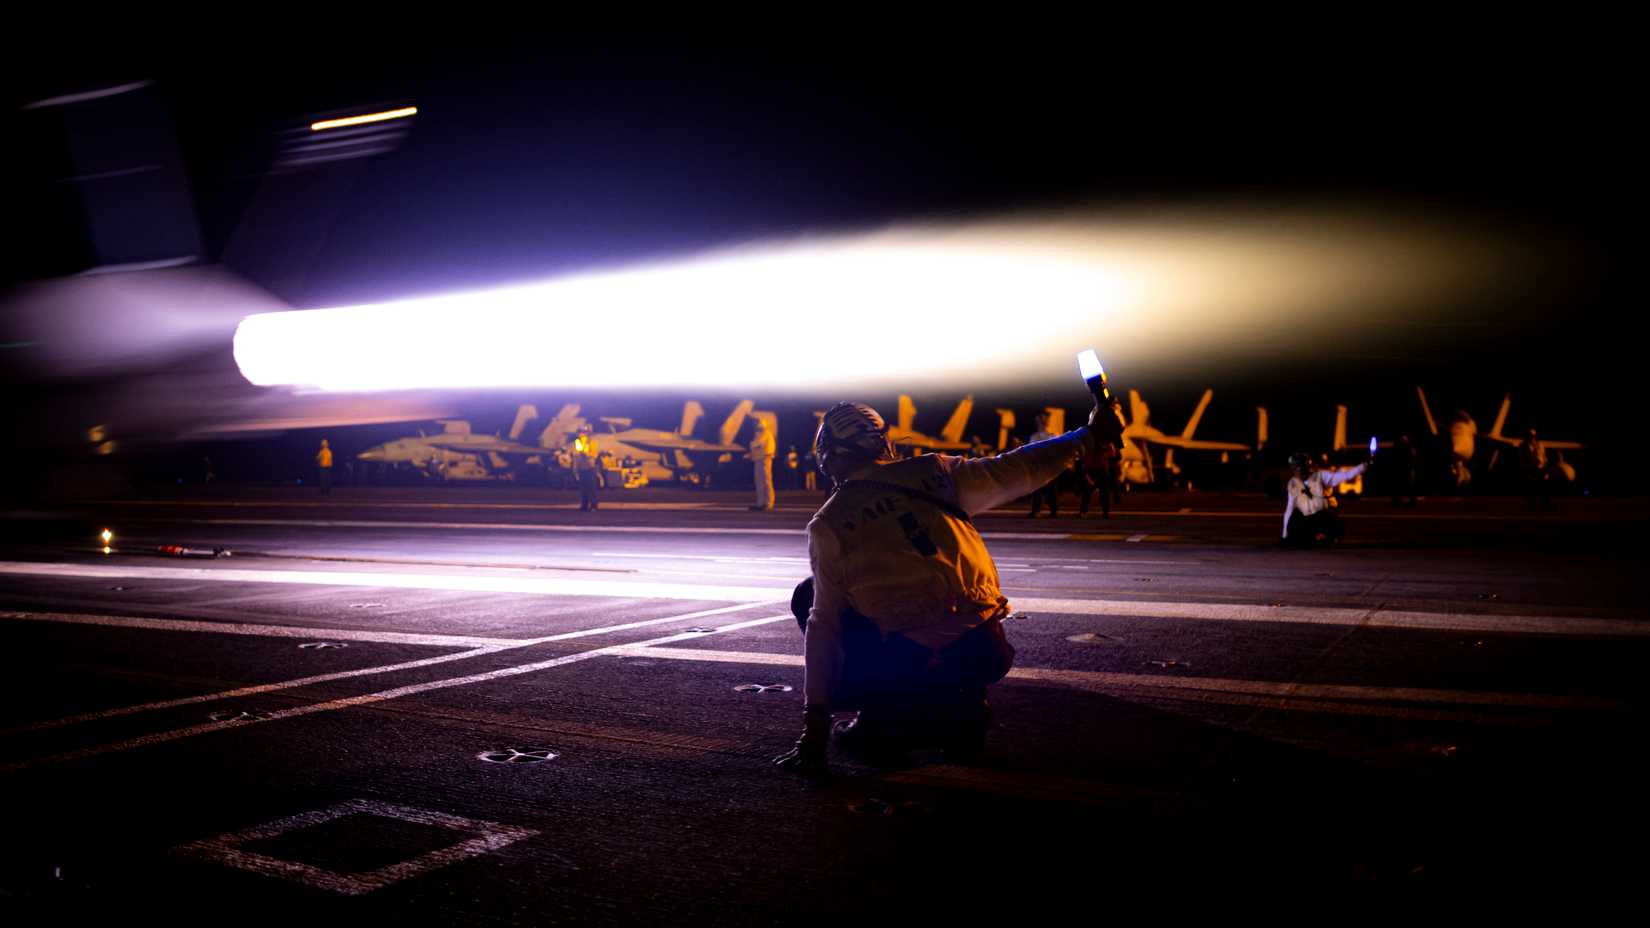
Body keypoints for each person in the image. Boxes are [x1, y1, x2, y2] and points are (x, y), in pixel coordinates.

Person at [774, 396, 1124, 773]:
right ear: (882, 443)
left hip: (905, 661)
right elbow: (1021, 466)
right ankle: (966, 707)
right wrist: (1086, 436)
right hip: (985, 650)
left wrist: (815, 726)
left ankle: (876, 719)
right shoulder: (936, 473)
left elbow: (823, 626)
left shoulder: (829, 522)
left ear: (829, 454)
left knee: (810, 596)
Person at [1281, 452, 1367, 547]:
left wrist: (1363, 466)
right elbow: (1289, 508)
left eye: (1299, 467)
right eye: (1294, 468)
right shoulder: (1293, 484)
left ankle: (1329, 536)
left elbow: (1346, 475)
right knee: (1296, 519)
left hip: (1323, 516)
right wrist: (1285, 535)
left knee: (1327, 520)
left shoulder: (1321, 476)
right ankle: (1310, 538)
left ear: (1306, 466)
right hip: (1307, 519)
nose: (1297, 470)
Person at [1026, 411, 1060, 517]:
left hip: (1049, 466)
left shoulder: (1052, 435)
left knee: (1051, 489)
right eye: (1040, 420)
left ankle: (1053, 511)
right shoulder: (1034, 436)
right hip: (1039, 466)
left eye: (1044, 419)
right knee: (1038, 489)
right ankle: (1037, 510)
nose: (1042, 422)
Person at [1077, 440, 1119, 518]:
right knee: (1101, 491)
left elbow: (1080, 453)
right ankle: (1104, 512)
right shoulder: (1104, 440)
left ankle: (1084, 511)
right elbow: (1112, 453)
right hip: (1099, 468)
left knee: (1089, 491)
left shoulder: (1088, 439)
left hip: (1093, 468)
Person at [747, 418, 777, 511]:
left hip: (765, 461)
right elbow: (754, 448)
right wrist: (751, 455)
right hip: (757, 461)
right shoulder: (758, 436)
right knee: (759, 482)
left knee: (766, 482)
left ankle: (768, 503)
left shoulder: (767, 435)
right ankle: (760, 503)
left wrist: (766, 456)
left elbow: (770, 449)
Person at [1521, 428, 1551, 512]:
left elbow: (1544, 457)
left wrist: (1546, 471)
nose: (1532, 437)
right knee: (1531, 491)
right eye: (1530, 435)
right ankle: (1532, 508)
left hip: (1541, 470)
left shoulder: (1540, 445)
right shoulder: (1523, 446)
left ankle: (1545, 508)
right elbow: (1522, 459)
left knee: (1544, 491)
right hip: (1530, 470)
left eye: (1533, 435)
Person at [571, 428, 601, 511]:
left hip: (590, 467)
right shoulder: (577, 442)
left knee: (591, 488)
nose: (580, 434)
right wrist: (575, 468)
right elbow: (576, 456)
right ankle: (584, 505)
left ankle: (594, 505)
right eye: (579, 432)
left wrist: (586, 454)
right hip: (581, 467)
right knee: (583, 488)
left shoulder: (591, 442)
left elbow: (594, 454)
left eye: (582, 432)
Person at [1389, 434, 1419, 507]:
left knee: (1408, 485)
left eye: (1405, 440)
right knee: (1399, 485)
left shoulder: (1409, 449)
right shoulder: (1402, 448)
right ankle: (1398, 500)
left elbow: (1412, 459)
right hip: (1402, 469)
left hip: (1407, 469)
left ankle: (1412, 501)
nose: (1404, 441)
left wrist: (1412, 469)